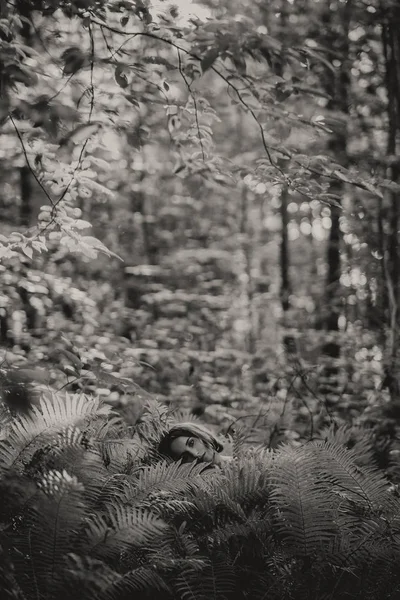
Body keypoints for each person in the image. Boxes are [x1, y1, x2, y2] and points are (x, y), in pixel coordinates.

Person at [158, 422, 232, 466]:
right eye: (185, 457)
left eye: (191, 443)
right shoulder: (197, 490)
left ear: (200, 435)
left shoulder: (240, 462)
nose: (195, 454)